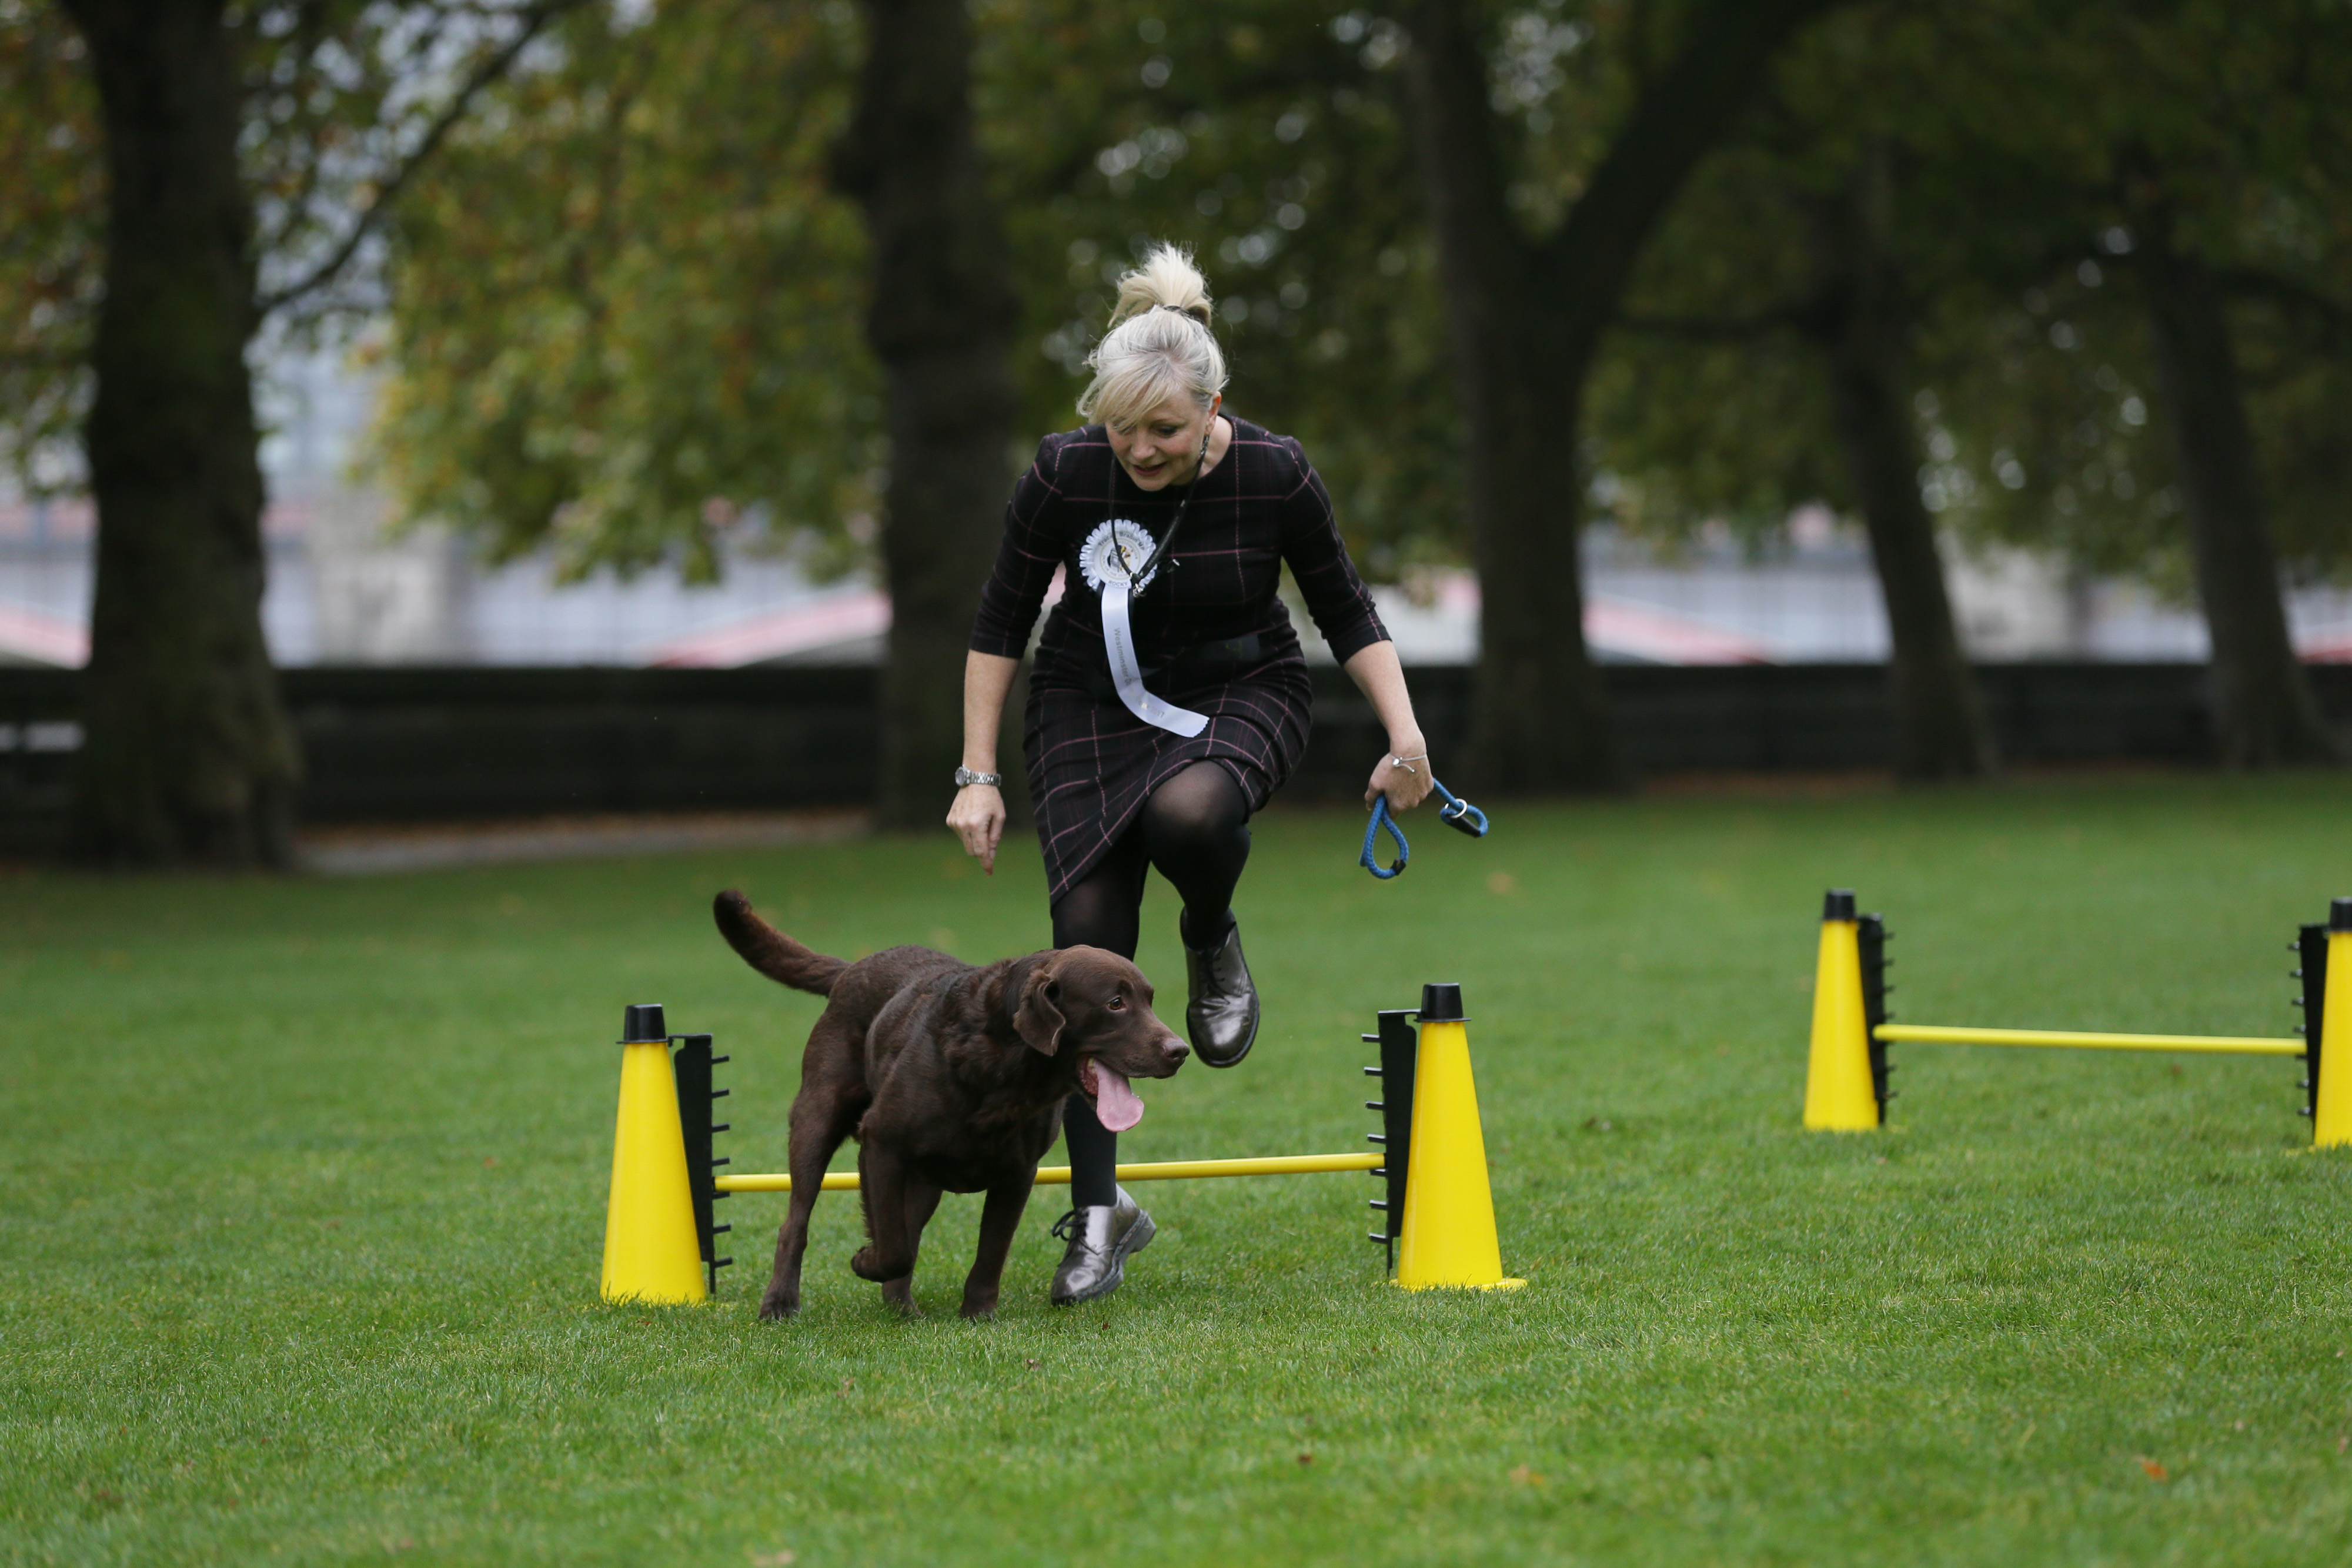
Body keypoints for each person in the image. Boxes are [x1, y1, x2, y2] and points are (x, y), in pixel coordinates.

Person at [948, 243, 1435, 1305]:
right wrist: (975, 771)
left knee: (1192, 812)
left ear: (1217, 405)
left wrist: (1406, 740)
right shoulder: (1064, 472)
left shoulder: (1275, 470)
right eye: (1121, 429)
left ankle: (1212, 939)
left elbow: (1347, 611)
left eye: (1163, 429)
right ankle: (1098, 1214)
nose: (1139, 450)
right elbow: (997, 624)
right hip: (1086, 706)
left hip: (1241, 689)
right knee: (1082, 961)